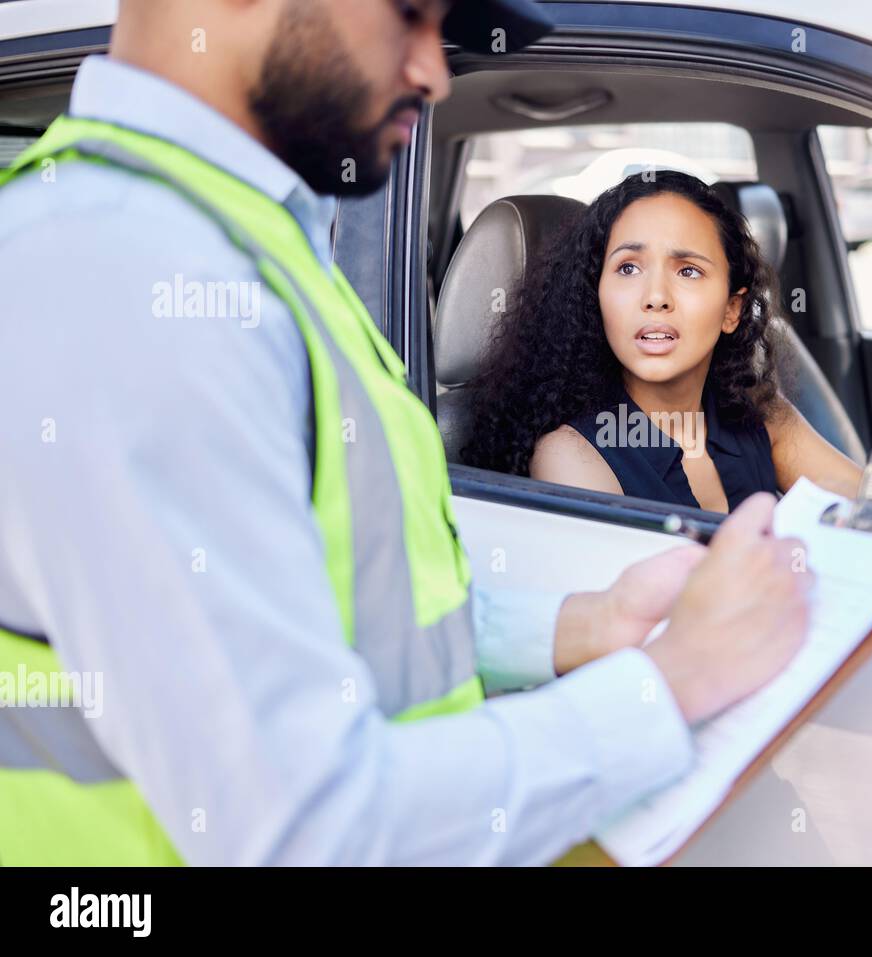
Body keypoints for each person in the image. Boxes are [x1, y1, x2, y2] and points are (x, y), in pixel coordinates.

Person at [0, 0, 813, 865]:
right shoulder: (127, 276)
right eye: (411, 15)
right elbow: (307, 827)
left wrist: (586, 622)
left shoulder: (240, 247)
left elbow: (346, 609)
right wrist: (675, 681)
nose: (433, 71)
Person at [464, 172, 872, 521]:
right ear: (595, 296)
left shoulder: (758, 416)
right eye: (628, 268)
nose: (655, 295)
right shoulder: (571, 455)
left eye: (688, 270)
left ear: (731, 310)